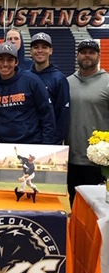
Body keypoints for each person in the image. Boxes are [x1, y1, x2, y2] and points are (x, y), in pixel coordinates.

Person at [0, 42, 56, 144]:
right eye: (1, 59)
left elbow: (47, 116)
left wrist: (47, 146)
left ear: (16, 62)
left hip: (32, 144)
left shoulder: (31, 81)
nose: (5, 64)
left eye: (10, 60)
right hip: (2, 146)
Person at [65, 39, 109, 207]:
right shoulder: (67, 82)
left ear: (98, 55)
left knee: (100, 209)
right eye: (83, 52)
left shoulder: (107, 82)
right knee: (74, 205)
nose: (87, 56)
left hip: (101, 162)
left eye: (91, 52)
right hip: (72, 159)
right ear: (78, 56)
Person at [30, 32, 70, 145]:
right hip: (27, 140)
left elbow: (62, 115)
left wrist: (54, 144)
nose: (40, 50)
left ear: (51, 51)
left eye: (44, 47)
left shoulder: (59, 79)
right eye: (36, 47)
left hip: (50, 142)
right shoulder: (25, 77)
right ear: (31, 51)